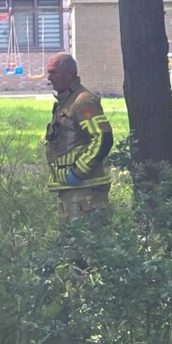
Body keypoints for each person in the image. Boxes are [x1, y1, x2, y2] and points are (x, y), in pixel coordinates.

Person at [44, 53, 114, 223]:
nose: (49, 78)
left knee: (83, 244)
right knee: (69, 244)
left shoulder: (83, 102)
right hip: (69, 190)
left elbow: (102, 138)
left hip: (84, 191)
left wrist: (78, 171)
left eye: (54, 73)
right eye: (49, 73)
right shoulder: (66, 102)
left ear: (69, 73)